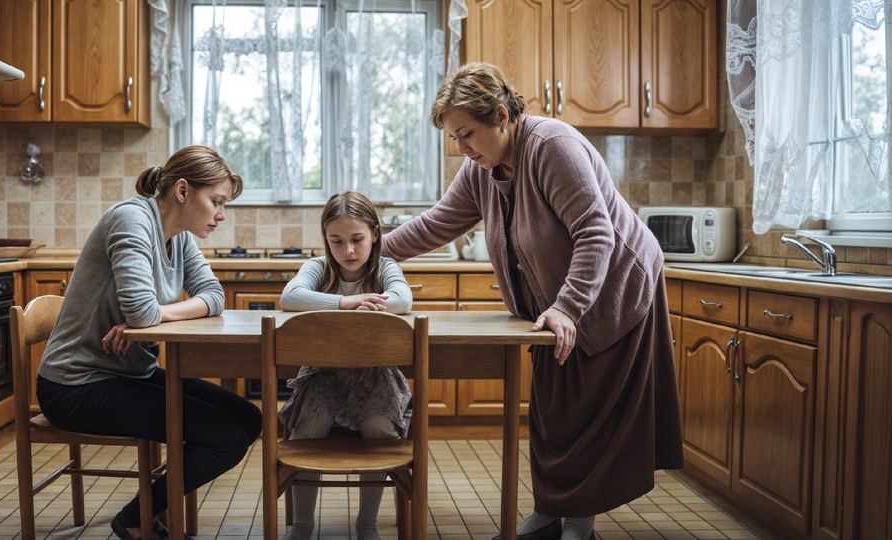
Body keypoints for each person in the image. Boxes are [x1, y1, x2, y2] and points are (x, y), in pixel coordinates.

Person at [381, 63, 684, 540]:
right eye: (454, 137)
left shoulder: (551, 146)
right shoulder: (480, 168)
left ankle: (578, 525)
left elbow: (595, 232)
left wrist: (567, 307)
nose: (460, 148)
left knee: (588, 414)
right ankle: (549, 511)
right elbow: (437, 223)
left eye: (466, 134)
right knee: (550, 410)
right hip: (557, 302)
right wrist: (365, 252)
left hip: (612, 291)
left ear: (501, 115)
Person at [35, 145, 263, 540]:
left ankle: (151, 510)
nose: (221, 214)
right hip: (76, 385)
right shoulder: (131, 219)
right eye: (217, 201)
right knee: (224, 437)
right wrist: (142, 318)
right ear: (182, 190)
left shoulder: (180, 238)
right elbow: (142, 312)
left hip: (130, 373)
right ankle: (137, 516)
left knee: (249, 419)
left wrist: (150, 317)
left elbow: (213, 296)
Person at [277, 191, 414, 540]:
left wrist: (371, 302)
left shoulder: (385, 267)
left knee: (380, 429)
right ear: (325, 239)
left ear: (375, 235)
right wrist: (346, 301)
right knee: (309, 427)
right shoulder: (317, 268)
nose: (348, 251)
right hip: (323, 374)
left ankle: (366, 523)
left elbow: (403, 299)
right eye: (337, 241)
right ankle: (302, 525)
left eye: (357, 240)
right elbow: (289, 297)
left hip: (377, 374)